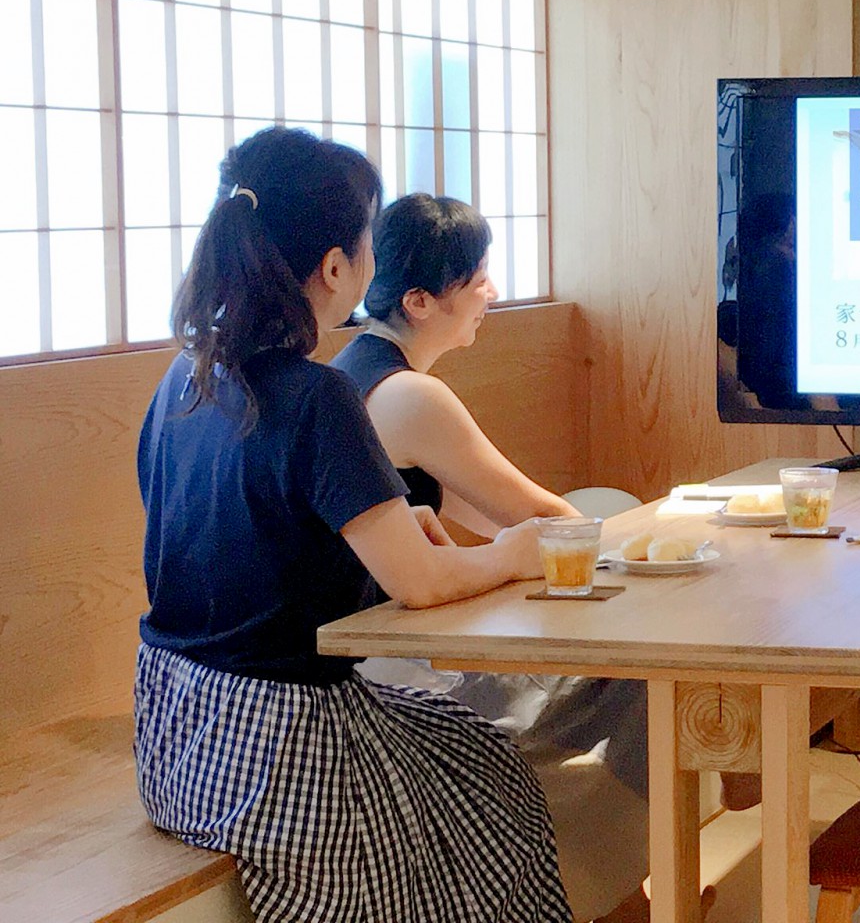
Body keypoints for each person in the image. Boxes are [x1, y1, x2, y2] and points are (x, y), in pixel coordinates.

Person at [134, 129, 569, 923]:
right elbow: (424, 582)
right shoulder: (315, 394)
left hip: (171, 734)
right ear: (336, 266)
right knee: (493, 787)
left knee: (463, 744)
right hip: (278, 743)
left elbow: (240, 538)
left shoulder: (184, 377)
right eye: (365, 244)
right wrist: (512, 553)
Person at [331, 194, 745, 923]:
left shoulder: (356, 373)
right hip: (392, 678)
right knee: (651, 675)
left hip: (385, 655)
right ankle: (643, 882)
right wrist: (673, 539)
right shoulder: (409, 396)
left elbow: (485, 518)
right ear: (422, 301)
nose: (491, 293)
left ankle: (638, 888)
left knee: (637, 664)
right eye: (478, 278)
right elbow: (545, 520)